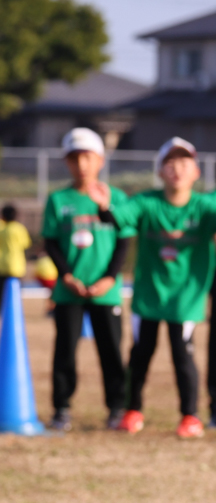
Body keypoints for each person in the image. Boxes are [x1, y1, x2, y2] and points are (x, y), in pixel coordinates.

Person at [120, 137, 216, 438]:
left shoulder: (204, 206)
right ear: (160, 171)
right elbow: (120, 216)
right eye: (170, 163)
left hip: (185, 297)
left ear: (196, 172)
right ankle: (132, 410)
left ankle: (190, 416)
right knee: (141, 354)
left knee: (182, 355)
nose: (177, 169)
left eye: (184, 162)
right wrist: (105, 209)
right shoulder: (147, 203)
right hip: (149, 295)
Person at [42, 127, 129, 433]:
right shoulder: (58, 199)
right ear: (66, 162)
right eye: (74, 158)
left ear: (100, 160)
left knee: (112, 351)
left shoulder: (116, 198)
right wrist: (66, 275)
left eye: (87, 157)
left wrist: (109, 278)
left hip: (106, 291)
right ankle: (62, 408)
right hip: (70, 291)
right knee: (65, 351)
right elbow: (51, 242)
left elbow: (124, 240)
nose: (81, 164)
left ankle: (117, 408)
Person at [0, 203, 30, 319]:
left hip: (0, 263)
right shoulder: (19, 228)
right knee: (15, 291)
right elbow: (25, 244)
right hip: (15, 264)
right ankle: (13, 312)